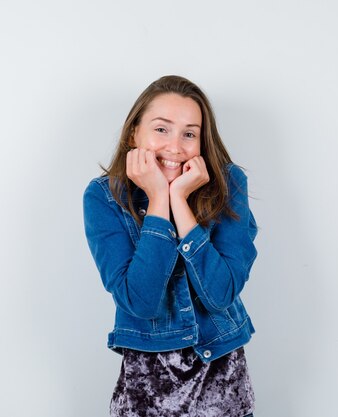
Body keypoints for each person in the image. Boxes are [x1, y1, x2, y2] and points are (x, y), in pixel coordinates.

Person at [83, 75, 259, 417]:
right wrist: (157, 200)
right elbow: (141, 301)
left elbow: (221, 294)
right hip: (147, 389)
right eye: (161, 129)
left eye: (189, 134)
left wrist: (178, 199)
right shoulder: (103, 197)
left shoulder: (230, 183)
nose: (175, 147)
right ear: (134, 132)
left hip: (223, 384)